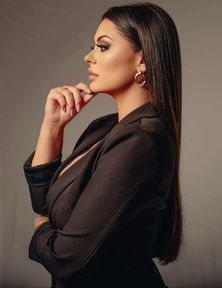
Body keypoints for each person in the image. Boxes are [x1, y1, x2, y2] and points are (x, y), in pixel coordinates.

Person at [23, 2, 183, 288]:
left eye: (103, 46)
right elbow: (43, 202)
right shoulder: (104, 128)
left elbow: (66, 259)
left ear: (142, 60)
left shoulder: (142, 140)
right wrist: (52, 126)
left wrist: (40, 230)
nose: (88, 57)